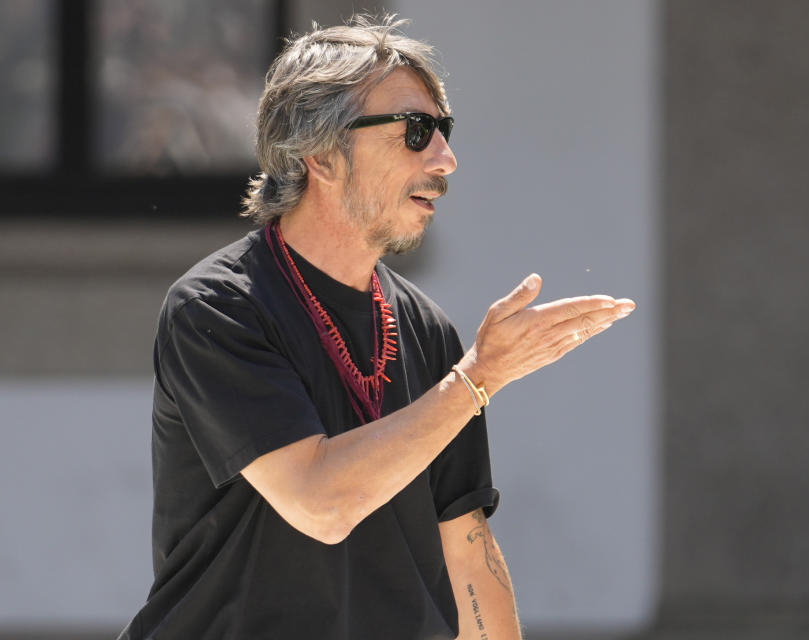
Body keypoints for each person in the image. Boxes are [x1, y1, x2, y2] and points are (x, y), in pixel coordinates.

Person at [119, 14, 634, 640]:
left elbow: (467, 550)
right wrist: (477, 380)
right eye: (416, 132)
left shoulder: (428, 330)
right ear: (320, 154)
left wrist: (472, 379)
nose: (447, 159)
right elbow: (319, 501)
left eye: (444, 130)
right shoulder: (218, 308)